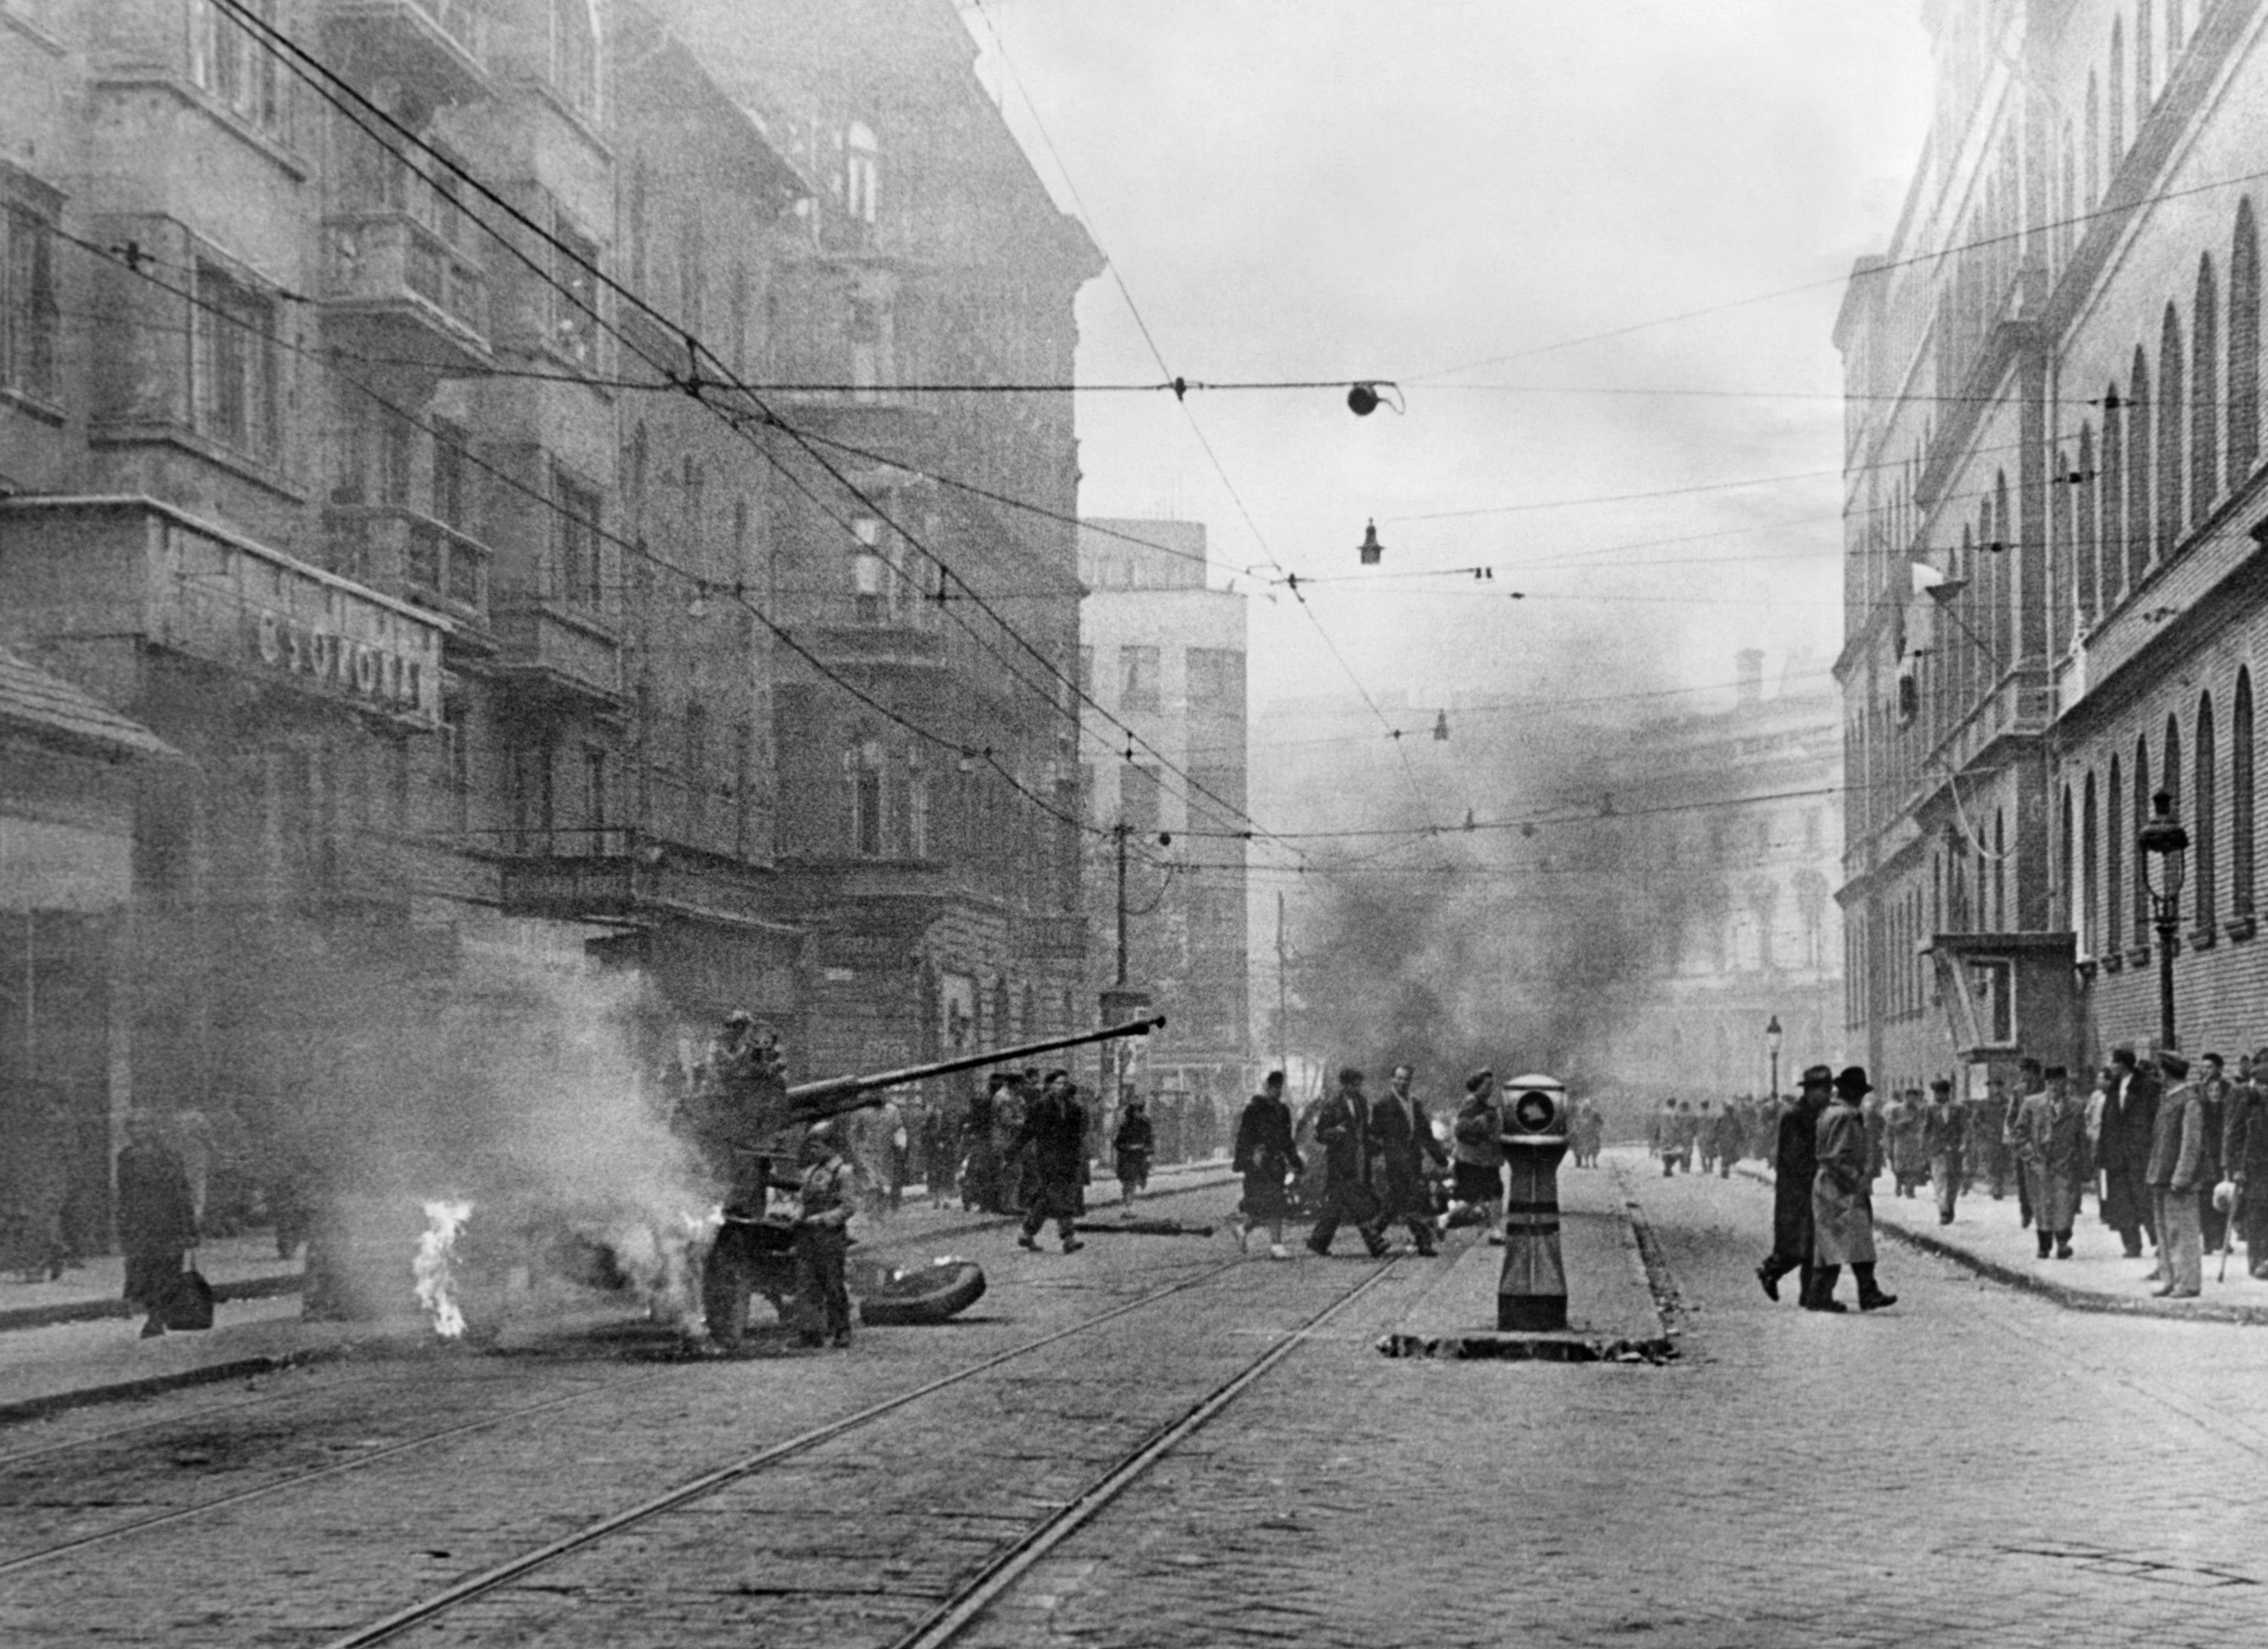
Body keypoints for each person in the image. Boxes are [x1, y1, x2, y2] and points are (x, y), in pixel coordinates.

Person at [1810, 1066, 1895, 1313]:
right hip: (1842, 1187)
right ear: (1854, 1093)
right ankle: (1865, 1293)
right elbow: (1837, 1156)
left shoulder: (1828, 1112)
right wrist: (1856, 1180)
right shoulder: (1847, 1116)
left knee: (1832, 1242)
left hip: (1828, 1184)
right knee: (1857, 1240)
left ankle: (1822, 1294)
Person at [115, 1111, 199, 1340]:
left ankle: (157, 1317)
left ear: (153, 1128)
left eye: (143, 1125)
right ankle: (153, 1312)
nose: (137, 1131)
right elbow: (124, 1193)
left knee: (166, 1271)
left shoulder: (168, 1155)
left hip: (168, 1222)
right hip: (139, 1224)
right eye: (132, 1126)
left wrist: (189, 1228)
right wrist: (123, 1224)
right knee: (143, 1270)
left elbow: (181, 1191)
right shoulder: (126, 1157)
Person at [1756, 1065, 1833, 1303]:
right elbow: (1795, 1156)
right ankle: (1773, 1270)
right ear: (1810, 1091)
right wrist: (1819, 1173)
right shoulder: (1795, 1116)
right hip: (1797, 1190)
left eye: (1829, 1091)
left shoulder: (1821, 1115)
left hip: (1814, 1187)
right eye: (1824, 1091)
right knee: (1801, 1242)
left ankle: (1808, 1293)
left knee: (1814, 1243)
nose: (1828, 1096)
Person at [1363, 1063, 1446, 1256]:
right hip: (1396, 1161)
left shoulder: (1415, 1104)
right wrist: (1375, 1154)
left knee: (1398, 1200)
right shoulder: (1383, 1104)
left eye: (1406, 1079)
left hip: (1413, 1159)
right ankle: (1424, 1243)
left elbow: (1425, 1133)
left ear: (1410, 1081)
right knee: (1413, 1199)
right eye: (1398, 1078)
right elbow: (1374, 1133)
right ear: (1392, 1079)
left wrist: (1439, 1158)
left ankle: (1373, 1231)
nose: (1402, 1082)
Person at [2144, 1051, 2206, 1298]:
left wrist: (2182, 1176)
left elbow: (2191, 1144)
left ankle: (2188, 1283)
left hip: (2179, 1180)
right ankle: (2170, 1279)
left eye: (2160, 1071)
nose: (2159, 1075)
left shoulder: (2189, 1101)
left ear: (2167, 1073)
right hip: (2162, 1176)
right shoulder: (2169, 1099)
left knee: (2183, 1233)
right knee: (2165, 1233)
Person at [1307, 1067, 1385, 1258]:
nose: (1358, 1089)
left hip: (1359, 1159)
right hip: (1339, 1162)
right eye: (1354, 1085)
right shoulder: (1332, 1105)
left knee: (1336, 1204)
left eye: (1359, 1085)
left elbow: (1363, 1130)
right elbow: (1320, 1134)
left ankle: (1318, 1242)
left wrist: (1374, 1146)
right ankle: (1375, 1242)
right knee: (1357, 1200)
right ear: (1346, 1085)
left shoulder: (1361, 1102)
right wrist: (1336, 1132)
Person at [792, 1122, 855, 1348]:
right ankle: (810, 1332)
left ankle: (842, 1330)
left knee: (833, 1284)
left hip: (830, 1236)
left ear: (831, 1147)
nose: (812, 1151)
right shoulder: (810, 1173)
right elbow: (802, 1201)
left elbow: (848, 1207)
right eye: (810, 1147)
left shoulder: (843, 1172)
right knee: (807, 1284)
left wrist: (822, 1218)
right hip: (808, 1235)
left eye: (817, 1147)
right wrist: (797, 1214)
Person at [2018, 1066, 2087, 1260]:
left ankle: (2063, 1243)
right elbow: (2019, 1134)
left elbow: (2081, 1138)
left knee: (2065, 1206)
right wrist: (2031, 1158)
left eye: (2058, 1083)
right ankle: (2044, 1246)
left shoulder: (2076, 1106)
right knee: (2042, 1207)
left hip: (2065, 1164)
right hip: (2039, 1165)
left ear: (2065, 1083)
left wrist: (2084, 1164)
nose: (2053, 1087)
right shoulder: (2031, 1104)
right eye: (2049, 1083)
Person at [1015, 1070, 1087, 1254]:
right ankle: (1069, 1238)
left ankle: (1027, 1233)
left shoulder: (1074, 1107)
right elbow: (1028, 1130)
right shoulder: (1040, 1106)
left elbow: (1077, 1135)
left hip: (1067, 1158)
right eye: (1058, 1083)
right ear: (1050, 1085)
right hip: (1047, 1158)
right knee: (1060, 1195)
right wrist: (1013, 1150)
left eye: (1065, 1083)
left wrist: (1077, 1157)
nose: (1062, 1087)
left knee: (1048, 1199)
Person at [2098, 1044, 2160, 1258]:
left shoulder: (2147, 1086)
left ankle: (2159, 1242)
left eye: (2114, 1063)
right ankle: (2132, 1245)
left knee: (2146, 1199)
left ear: (2123, 1065)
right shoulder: (2114, 1087)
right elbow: (2107, 1121)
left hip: (2140, 1153)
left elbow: (2153, 1119)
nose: (2111, 1067)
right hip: (2117, 1155)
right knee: (2122, 1202)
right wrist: (2103, 1153)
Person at [1233, 1072, 1300, 1258]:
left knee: (1275, 1203)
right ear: (1267, 1088)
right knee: (1266, 1206)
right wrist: (1248, 1159)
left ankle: (1255, 1235)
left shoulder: (1283, 1111)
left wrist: (1295, 1160)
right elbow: (1244, 1137)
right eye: (1274, 1088)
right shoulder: (1254, 1110)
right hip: (1259, 1165)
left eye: (1280, 1088)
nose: (1277, 1091)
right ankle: (1272, 1243)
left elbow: (1287, 1139)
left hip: (1275, 1163)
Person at [2224, 1047, 2268, 1278]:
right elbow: (2233, 1136)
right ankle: (2257, 1261)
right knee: (2256, 1214)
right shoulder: (2247, 1105)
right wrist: (2236, 1169)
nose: (2264, 1090)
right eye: (2261, 1085)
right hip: (2254, 1168)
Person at [1449, 1070, 1505, 1231]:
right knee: (1474, 1199)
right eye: (1487, 1085)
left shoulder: (1483, 1105)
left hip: (1484, 1160)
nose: (1490, 1089)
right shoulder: (1471, 1103)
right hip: (1472, 1160)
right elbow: (1462, 1129)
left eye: (1492, 1086)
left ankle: (1495, 1231)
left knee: (1492, 1195)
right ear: (1477, 1086)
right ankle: (1442, 1220)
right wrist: (1485, 1121)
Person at [2196, 1053, 2233, 1256]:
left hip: (2223, 1151)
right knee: (2205, 1198)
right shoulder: (2198, 1092)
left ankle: (2223, 1238)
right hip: (2205, 1153)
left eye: (2210, 1067)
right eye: (2203, 1067)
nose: (2206, 1071)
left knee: (2225, 1196)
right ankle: (2209, 1240)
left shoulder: (2229, 1090)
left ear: (2219, 1068)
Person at [2007, 1059, 2046, 1230]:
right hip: (2024, 1141)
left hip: (2043, 1140)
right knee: (2024, 1180)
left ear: (2033, 1072)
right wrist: (2017, 1135)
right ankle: (2026, 1213)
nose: (2022, 1074)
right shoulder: (2019, 1091)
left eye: (2024, 1071)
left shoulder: (2046, 1087)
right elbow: (2011, 1116)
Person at [1922, 1078, 1967, 1226]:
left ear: (1947, 1094)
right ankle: (1944, 1212)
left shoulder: (1959, 1109)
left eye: (1939, 1093)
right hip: (1938, 1150)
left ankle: (1950, 1205)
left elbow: (1965, 1128)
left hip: (1955, 1150)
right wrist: (1924, 1148)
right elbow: (1926, 1130)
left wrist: (1964, 1144)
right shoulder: (1931, 1109)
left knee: (1953, 1181)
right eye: (1935, 1093)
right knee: (1940, 1181)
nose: (1936, 1096)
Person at [1113, 1095, 1155, 1206]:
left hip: (1138, 1155)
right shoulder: (1126, 1123)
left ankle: (1129, 1204)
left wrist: (1148, 1155)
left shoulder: (1145, 1123)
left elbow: (1150, 1139)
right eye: (1136, 1110)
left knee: (1132, 1181)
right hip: (1127, 1156)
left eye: (1140, 1110)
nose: (1138, 1113)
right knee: (1128, 1181)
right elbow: (1118, 1141)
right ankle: (1128, 1203)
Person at [1886, 1088, 1927, 1198]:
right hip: (1900, 1141)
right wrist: (1902, 1124)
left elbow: (1923, 1125)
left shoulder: (1919, 1111)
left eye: (1915, 1098)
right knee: (1899, 1167)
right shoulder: (1896, 1110)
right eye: (1911, 1098)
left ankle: (1910, 1189)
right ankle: (1899, 1184)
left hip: (1914, 1141)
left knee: (1913, 1167)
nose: (1913, 1100)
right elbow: (1890, 1126)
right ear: (1906, 1098)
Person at [1710, 1098, 1744, 1178]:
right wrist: (1741, 1138)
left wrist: (1715, 1139)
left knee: (1725, 1156)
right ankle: (1725, 1171)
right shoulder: (1735, 1120)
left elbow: (1716, 1129)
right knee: (1728, 1156)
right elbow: (1740, 1131)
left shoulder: (1721, 1119)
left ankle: (1724, 1171)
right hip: (1731, 1141)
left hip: (1723, 1140)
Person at [1648, 1098, 1682, 1178]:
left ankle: (1667, 1168)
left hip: (1663, 1135)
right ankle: (1668, 1169)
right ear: (1675, 1104)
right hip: (1671, 1135)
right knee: (1675, 1153)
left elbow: (1659, 1124)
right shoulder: (1673, 1113)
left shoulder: (1663, 1113)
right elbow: (1675, 1125)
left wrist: (1658, 1134)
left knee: (1666, 1152)